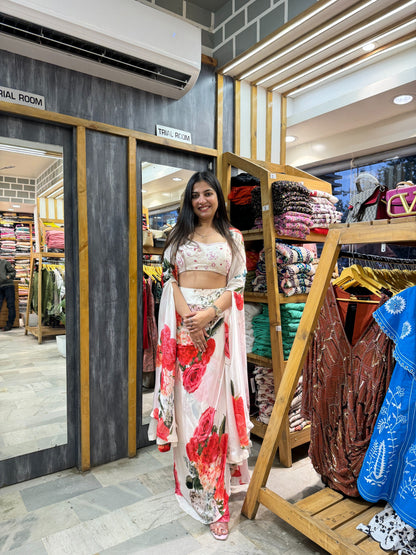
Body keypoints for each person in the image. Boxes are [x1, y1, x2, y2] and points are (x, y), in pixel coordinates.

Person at [148, 171, 252, 541]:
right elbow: (168, 279)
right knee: (187, 413)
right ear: (189, 201)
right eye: (195, 195)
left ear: (218, 197)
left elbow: (238, 283)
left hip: (217, 326)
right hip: (182, 328)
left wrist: (208, 315)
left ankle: (217, 502)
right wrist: (188, 320)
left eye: (208, 193)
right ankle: (189, 486)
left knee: (213, 414)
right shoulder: (177, 237)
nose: (202, 200)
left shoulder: (233, 238)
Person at [0, 259, 16, 331]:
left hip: (8, 285)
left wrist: (7, 277)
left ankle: (10, 324)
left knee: (10, 305)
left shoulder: (5, 262)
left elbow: (13, 272)